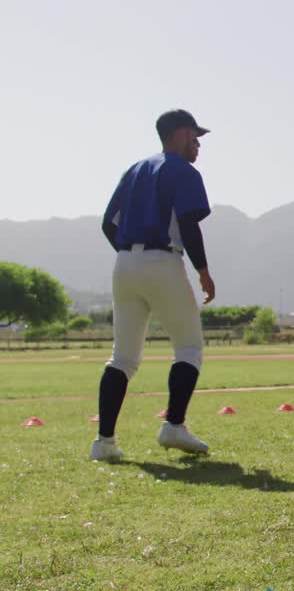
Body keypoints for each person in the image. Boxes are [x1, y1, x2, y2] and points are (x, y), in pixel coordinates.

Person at [90, 110, 217, 463]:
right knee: (189, 348)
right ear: (177, 134)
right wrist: (203, 271)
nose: (197, 145)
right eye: (194, 137)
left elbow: (107, 224)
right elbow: (189, 224)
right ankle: (173, 425)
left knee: (123, 357)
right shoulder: (183, 171)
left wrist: (132, 255)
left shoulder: (133, 170)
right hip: (163, 259)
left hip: (124, 262)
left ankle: (104, 442)